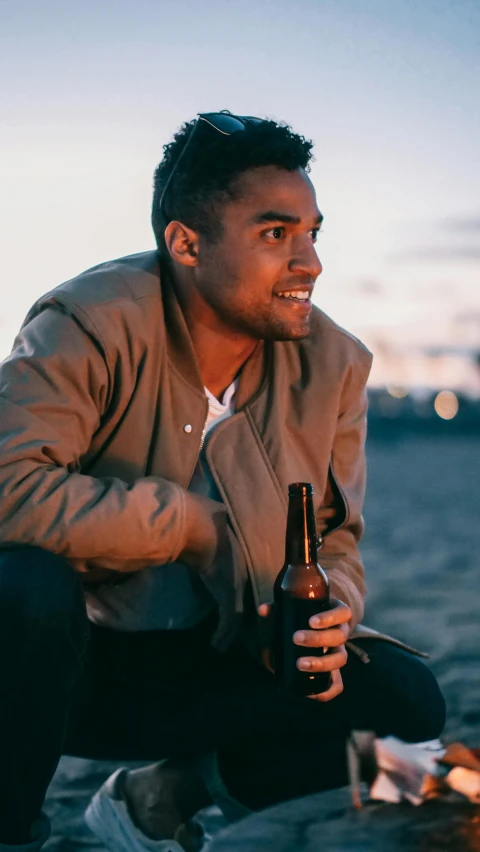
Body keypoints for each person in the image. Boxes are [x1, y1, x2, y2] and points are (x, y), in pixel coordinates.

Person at [0, 111, 445, 852]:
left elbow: (335, 542)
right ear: (185, 243)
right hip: (68, 673)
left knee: (407, 701)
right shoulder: (86, 321)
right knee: (21, 588)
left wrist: (337, 603)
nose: (309, 261)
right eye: (276, 234)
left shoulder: (336, 364)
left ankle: (165, 793)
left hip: (223, 657)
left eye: (312, 232)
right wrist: (191, 525)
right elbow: (9, 493)